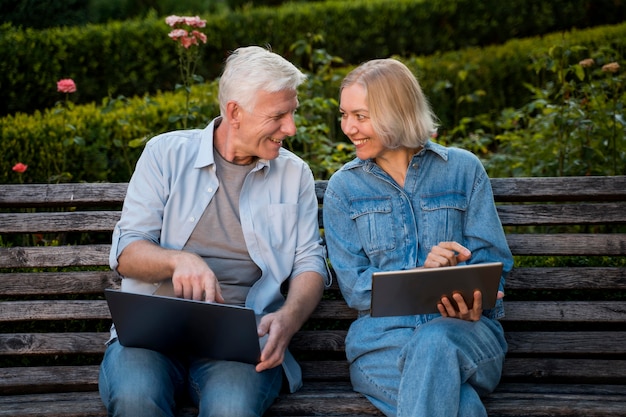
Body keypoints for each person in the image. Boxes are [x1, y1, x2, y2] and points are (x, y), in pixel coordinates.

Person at [99, 45, 330, 417]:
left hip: (241, 340)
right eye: (278, 116)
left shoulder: (293, 173)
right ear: (235, 112)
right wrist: (178, 261)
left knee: (231, 410)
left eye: (293, 113)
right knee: (136, 399)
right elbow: (127, 253)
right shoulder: (165, 154)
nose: (291, 128)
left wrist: (289, 317)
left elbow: (310, 263)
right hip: (152, 335)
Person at [322, 58, 514, 417]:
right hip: (382, 347)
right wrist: (422, 275)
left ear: (397, 112)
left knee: (435, 341)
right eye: (344, 114)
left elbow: (493, 263)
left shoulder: (462, 170)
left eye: (360, 116)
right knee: (465, 407)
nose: (348, 127)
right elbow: (355, 287)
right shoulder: (344, 189)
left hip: (465, 336)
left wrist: (469, 287)